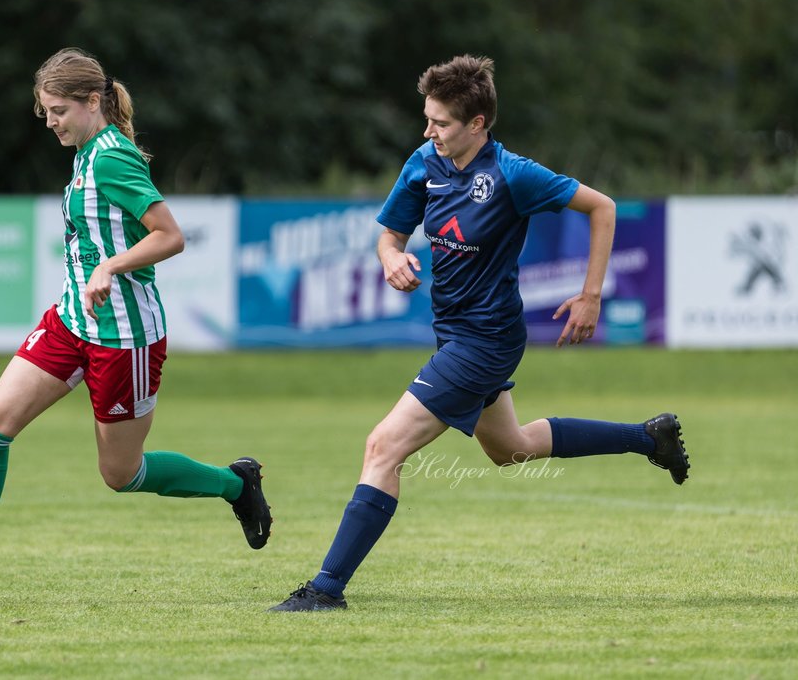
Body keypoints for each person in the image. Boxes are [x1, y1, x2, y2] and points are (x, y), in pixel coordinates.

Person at [269, 54, 690, 612]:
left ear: (477, 124)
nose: (428, 131)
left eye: (440, 122)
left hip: (486, 341)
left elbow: (603, 208)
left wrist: (591, 295)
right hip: (455, 336)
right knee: (510, 449)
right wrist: (391, 257)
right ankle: (649, 438)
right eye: (427, 119)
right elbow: (389, 236)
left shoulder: (513, 175)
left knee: (382, 447)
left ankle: (325, 589)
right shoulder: (424, 162)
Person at [0, 47, 272, 602]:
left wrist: (109, 266)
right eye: (45, 112)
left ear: (91, 102)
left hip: (124, 338)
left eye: (58, 110)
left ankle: (236, 483)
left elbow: (169, 236)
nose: (51, 122)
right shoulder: (84, 152)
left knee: (121, 474)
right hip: (70, 322)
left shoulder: (111, 157)